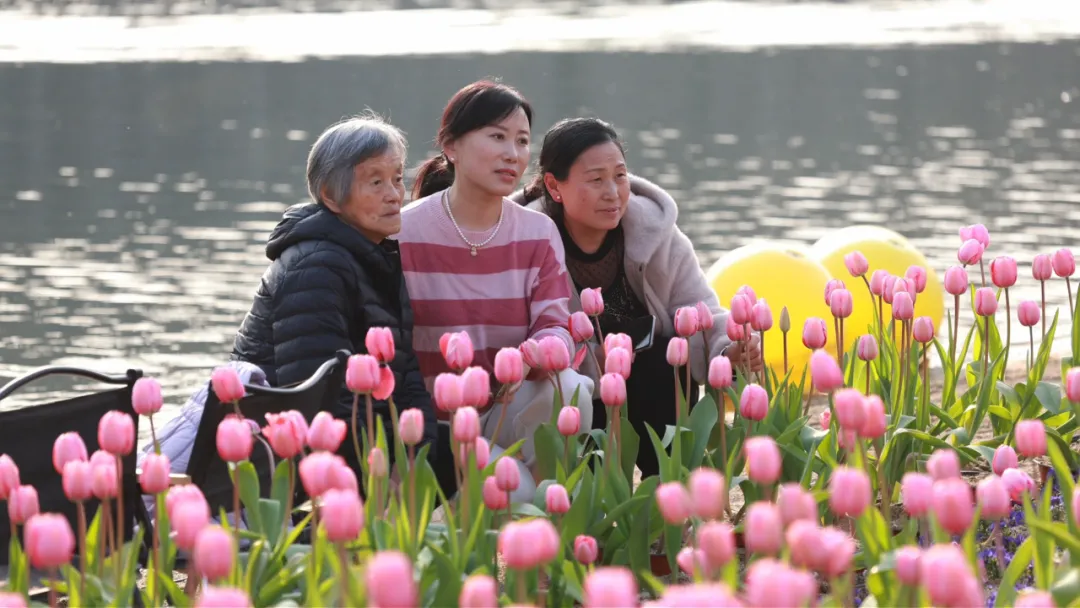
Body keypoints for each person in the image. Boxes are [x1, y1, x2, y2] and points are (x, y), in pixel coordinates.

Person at [513, 116, 763, 478]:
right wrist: (591, 361)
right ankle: (590, 490)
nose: (612, 192)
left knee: (666, 357)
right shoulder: (524, 243)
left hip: (654, 385)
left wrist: (730, 349)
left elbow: (699, 307)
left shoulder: (655, 232)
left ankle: (665, 486)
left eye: (619, 175)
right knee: (580, 390)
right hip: (577, 391)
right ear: (554, 186)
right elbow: (520, 338)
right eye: (596, 180)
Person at [230, 113, 454, 496]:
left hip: (364, 438)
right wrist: (383, 475)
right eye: (375, 182)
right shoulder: (316, 266)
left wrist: (417, 456)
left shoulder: (375, 255)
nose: (394, 194)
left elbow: (406, 376)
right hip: (290, 458)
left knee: (451, 451)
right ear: (331, 196)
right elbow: (318, 395)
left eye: (397, 178)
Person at [396, 81, 594, 497]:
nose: (513, 154)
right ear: (451, 146)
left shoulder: (537, 232)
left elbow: (555, 325)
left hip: (506, 405)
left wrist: (534, 354)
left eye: (521, 141)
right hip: (434, 423)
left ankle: (547, 506)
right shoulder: (404, 232)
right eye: (497, 137)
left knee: (571, 388)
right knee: (513, 494)